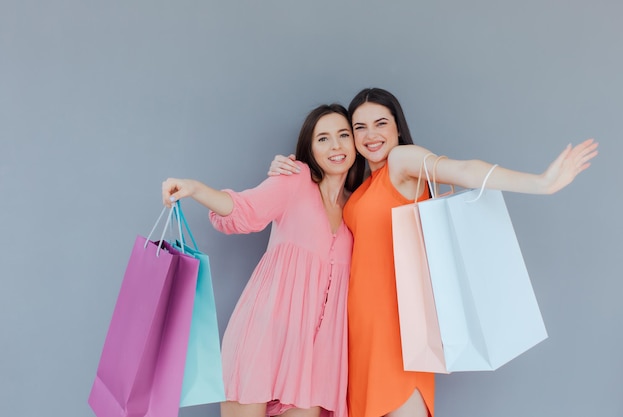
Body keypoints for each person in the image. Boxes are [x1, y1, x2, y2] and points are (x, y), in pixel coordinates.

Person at [268, 87, 599, 417]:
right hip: (359, 336)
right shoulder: (363, 187)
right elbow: (318, 211)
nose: (371, 135)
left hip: (399, 331)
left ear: (398, 127)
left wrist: (540, 183)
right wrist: (290, 170)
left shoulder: (401, 161)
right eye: (359, 128)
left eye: (381, 123)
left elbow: (464, 170)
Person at [162, 104, 362, 417]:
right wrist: (196, 189)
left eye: (343, 135)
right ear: (309, 148)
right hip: (262, 337)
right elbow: (245, 210)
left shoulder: (358, 205)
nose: (335, 145)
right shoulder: (296, 179)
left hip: (315, 361)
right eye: (323, 138)